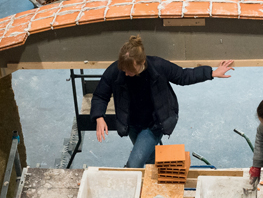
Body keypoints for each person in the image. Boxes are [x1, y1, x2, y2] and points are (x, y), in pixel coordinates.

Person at [90, 35, 234, 168]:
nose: (127, 74)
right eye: (124, 70)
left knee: (134, 163)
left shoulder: (158, 66)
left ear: (142, 63)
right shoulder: (115, 71)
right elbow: (100, 95)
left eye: (131, 71)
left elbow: (183, 76)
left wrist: (211, 73)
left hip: (155, 123)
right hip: (131, 123)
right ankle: (155, 173)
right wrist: (99, 117)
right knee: (148, 156)